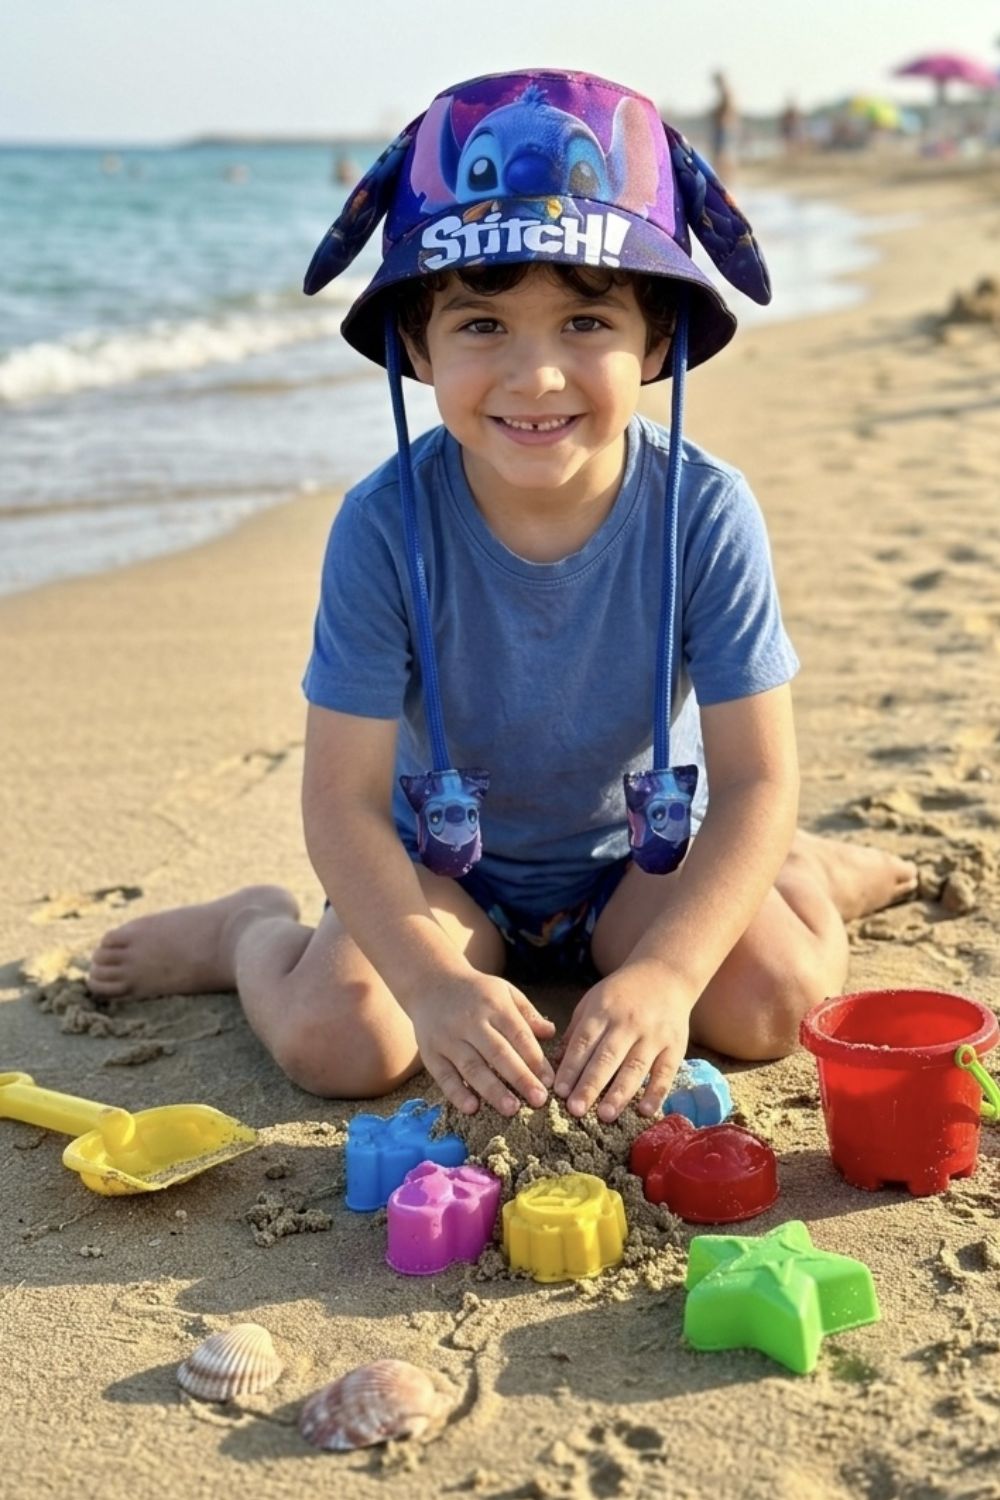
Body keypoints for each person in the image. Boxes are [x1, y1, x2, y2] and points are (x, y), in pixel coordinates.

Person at [88, 69, 915, 1127]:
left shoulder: (705, 511)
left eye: (585, 321)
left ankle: (803, 878)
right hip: (446, 872)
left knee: (771, 1003)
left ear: (657, 338)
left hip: (644, 860)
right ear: (416, 344)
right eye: (481, 325)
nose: (535, 376)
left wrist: (667, 975)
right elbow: (342, 802)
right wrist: (432, 985)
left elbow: (757, 780)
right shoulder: (383, 526)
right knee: (339, 1043)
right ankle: (248, 931)